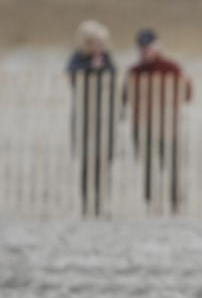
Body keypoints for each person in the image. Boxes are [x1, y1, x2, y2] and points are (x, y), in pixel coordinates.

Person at [125, 29, 193, 212]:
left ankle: (175, 204)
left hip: (168, 127)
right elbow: (126, 97)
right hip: (142, 127)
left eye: (148, 48)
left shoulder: (171, 68)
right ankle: (151, 203)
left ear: (156, 47)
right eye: (142, 48)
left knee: (172, 167)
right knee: (148, 168)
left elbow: (187, 93)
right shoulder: (134, 72)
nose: (145, 52)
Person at [66, 20, 115, 216]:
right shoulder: (77, 59)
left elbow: (112, 74)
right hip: (85, 118)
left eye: (101, 42)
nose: (99, 46)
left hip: (105, 118)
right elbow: (72, 75)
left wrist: (101, 66)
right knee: (87, 162)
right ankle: (87, 204)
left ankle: (102, 204)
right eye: (95, 42)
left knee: (104, 162)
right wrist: (90, 67)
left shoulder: (107, 58)